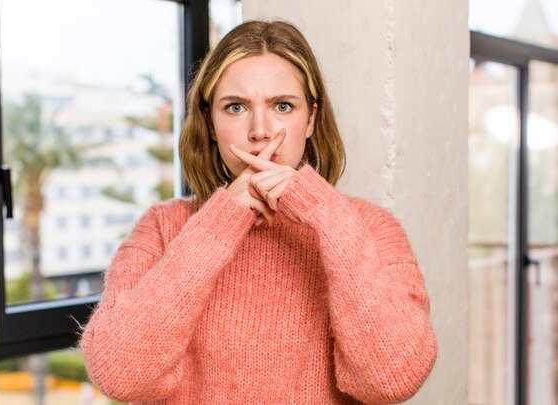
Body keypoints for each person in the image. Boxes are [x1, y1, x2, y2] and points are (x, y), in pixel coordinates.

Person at [80, 20, 437, 404]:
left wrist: (325, 213)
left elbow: (394, 379)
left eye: (283, 106)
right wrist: (220, 222)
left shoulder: (370, 227)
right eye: (235, 107)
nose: (260, 131)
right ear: (211, 124)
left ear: (311, 119)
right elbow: (120, 376)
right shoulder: (163, 227)